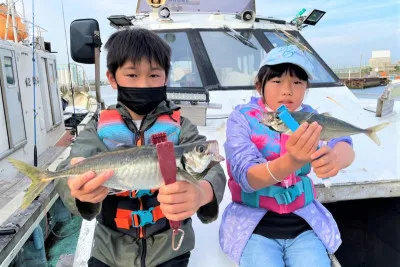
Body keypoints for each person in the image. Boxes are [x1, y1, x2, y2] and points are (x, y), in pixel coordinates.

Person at [56, 28, 226, 267]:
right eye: (132, 75)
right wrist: (79, 193)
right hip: (109, 252)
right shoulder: (98, 128)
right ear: (113, 78)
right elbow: (68, 170)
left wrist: (203, 192)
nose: (144, 84)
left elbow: (214, 169)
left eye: (154, 75)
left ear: (166, 77)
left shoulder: (180, 127)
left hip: (171, 250)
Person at [219, 45, 355, 267]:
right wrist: (292, 162)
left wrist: (337, 158)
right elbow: (246, 177)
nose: (287, 90)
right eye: (277, 81)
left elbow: (344, 142)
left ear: (306, 87)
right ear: (258, 85)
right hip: (253, 226)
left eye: (297, 83)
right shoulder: (242, 118)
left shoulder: (309, 115)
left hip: (303, 222)